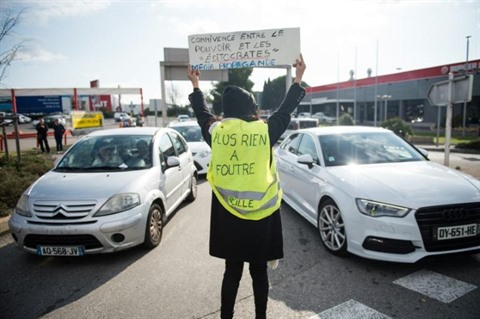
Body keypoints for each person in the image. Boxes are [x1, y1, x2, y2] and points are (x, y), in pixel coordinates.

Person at [187, 54, 306, 319]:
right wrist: (297, 79)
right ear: (251, 107)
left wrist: (196, 85)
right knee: (259, 272)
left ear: (227, 110)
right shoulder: (264, 131)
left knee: (232, 272)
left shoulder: (217, 133)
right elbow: (285, 111)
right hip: (262, 217)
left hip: (229, 218)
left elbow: (202, 114)